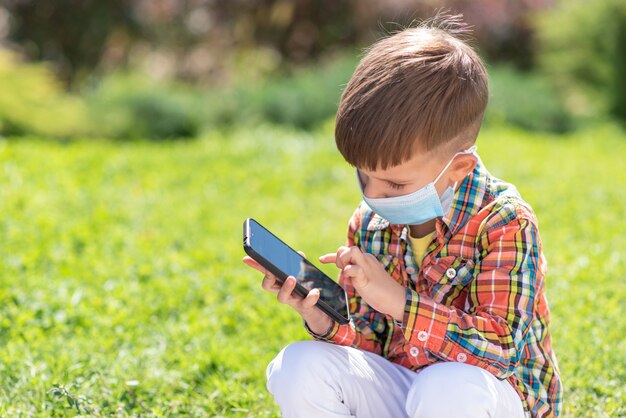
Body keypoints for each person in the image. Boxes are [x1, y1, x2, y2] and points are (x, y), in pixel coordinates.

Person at [243, 13, 561, 418]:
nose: (374, 195)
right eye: (364, 175)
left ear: (459, 168)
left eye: (394, 185)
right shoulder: (369, 224)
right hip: (407, 388)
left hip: (484, 395)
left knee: (444, 387)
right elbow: (371, 343)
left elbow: (500, 350)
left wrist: (400, 303)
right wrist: (323, 319)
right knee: (298, 367)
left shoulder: (504, 221)